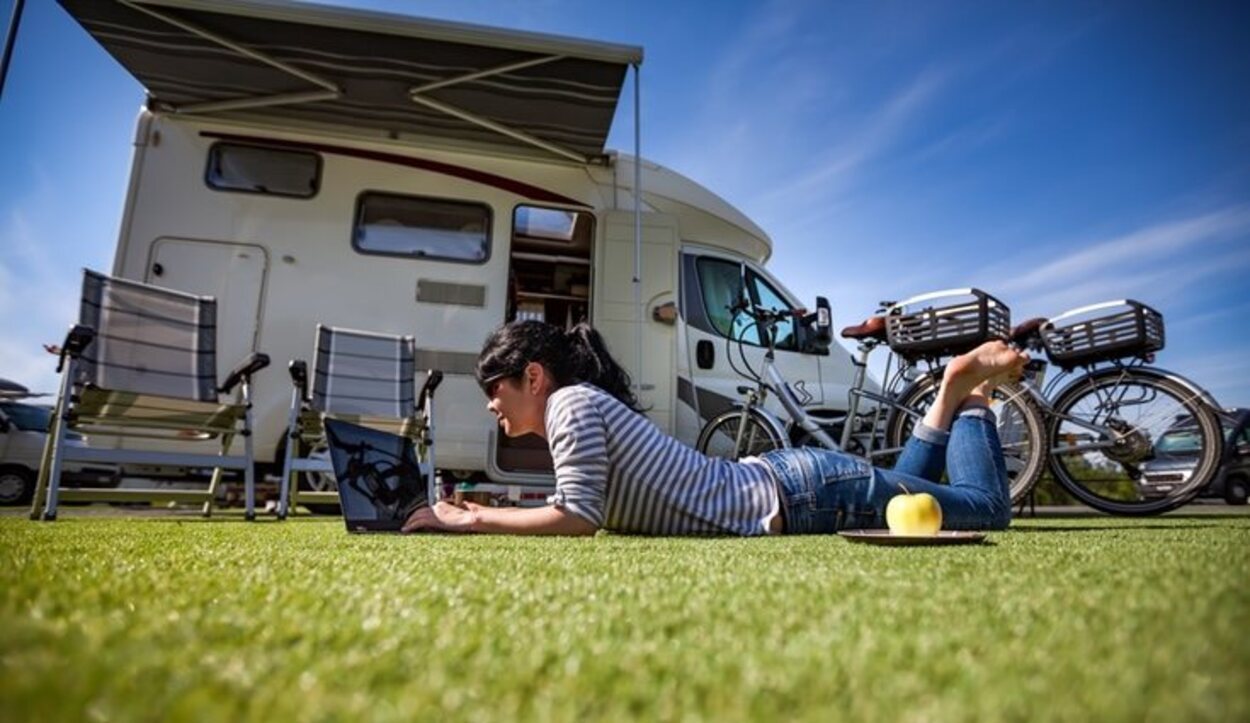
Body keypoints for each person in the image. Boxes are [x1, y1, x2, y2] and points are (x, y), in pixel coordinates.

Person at [402, 321, 1028, 535]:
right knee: (905, 501)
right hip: (797, 485)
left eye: (495, 390)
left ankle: (965, 396)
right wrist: (489, 509)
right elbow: (576, 500)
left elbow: (579, 517)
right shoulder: (577, 407)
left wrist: (475, 518)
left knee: (983, 509)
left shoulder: (569, 405)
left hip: (803, 496)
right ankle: (949, 400)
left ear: (532, 377)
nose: (491, 406)